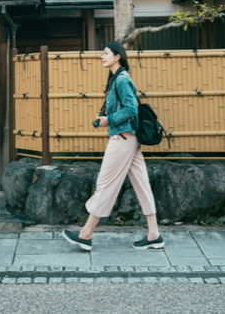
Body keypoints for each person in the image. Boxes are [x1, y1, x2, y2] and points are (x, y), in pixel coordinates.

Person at [62, 41, 163, 251]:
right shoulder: (117, 79)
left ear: (118, 56)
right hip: (129, 139)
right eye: (103, 53)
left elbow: (131, 110)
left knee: (105, 184)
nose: (102, 56)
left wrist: (109, 120)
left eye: (106, 53)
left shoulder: (122, 80)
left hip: (123, 139)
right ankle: (154, 234)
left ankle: (85, 234)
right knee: (142, 185)